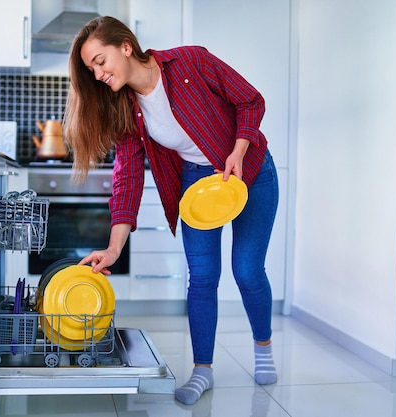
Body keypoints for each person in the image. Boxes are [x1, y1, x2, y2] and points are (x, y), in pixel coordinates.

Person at [64, 16, 279, 405]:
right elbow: (127, 178)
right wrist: (113, 249)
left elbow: (250, 100)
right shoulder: (126, 109)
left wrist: (238, 152)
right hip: (197, 181)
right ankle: (203, 371)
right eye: (91, 69)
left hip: (251, 170)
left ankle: (263, 349)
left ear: (125, 46)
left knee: (247, 270)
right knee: (202, 277)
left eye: (100, 61)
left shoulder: (191, 62)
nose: (97, 74)